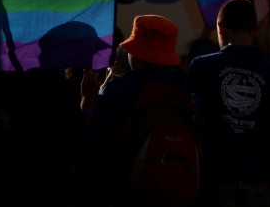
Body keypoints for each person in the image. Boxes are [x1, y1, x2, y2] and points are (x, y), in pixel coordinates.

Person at [188, 0, 270, 207]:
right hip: (265, 191)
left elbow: (190, 127)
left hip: (215, 189)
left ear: (220, 29)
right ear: (255, 30)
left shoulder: (201, 68)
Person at [83, 14, 199, 206]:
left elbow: (94, 149)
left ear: (134, 57)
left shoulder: (117, 90)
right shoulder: (187, 97)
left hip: (123, 194)